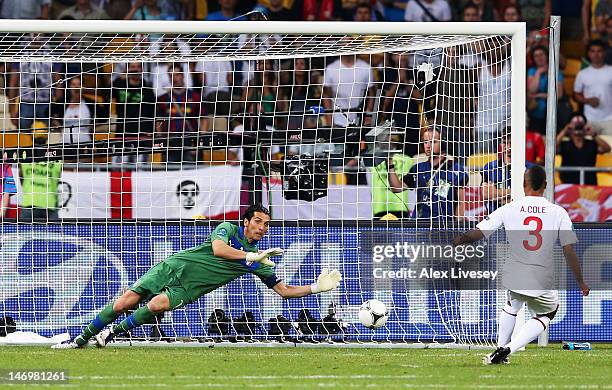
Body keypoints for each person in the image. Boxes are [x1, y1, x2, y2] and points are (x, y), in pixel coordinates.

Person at [52, 204, 342, 349]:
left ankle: (111, 334)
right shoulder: (229, 229)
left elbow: (284, 291)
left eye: (266, 224)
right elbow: (218, 250)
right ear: (246, 222)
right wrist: (250, 256)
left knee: (155, 306)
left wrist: (317, 287)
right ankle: (79, 340)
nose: (262, 227)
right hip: (175, 266)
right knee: (125, 302)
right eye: (258, 221)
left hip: (189, 288)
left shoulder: (261, 261)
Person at [452, 165, 590, 364]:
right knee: (548, 311)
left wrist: (459, 240)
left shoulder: (509, 208)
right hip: (541, 275)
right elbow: (568, 249)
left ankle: (499, 349)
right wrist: (581, 282)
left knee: (512, 304)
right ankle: (508, 349)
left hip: (514, 271)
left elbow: (480, 232)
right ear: (545, 185)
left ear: (524, 184)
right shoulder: (558, 212)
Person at [387, 128, 469, 222]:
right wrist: (390, 163)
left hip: (443, 227)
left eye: (433, 142)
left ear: (443, 143)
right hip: (419, 226)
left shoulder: (456, 170)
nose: (428, 146)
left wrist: (457, 229)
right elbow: (396, 188)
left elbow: (460, 203)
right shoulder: (418, 169)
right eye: (425, 142)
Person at [481, 131, 536, 213]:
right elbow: (486, 194)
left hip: (520, 217)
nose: (508, 147)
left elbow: (530, 195)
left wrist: (497, 193)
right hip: (495, 217)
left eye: (511, 143)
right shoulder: (489, 167)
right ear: (500, 144)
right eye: (504, 143)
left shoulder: (530, 168)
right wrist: (514, 195)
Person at [556, 113, 611, 185]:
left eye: (580, 125)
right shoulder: (565, 145)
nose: (578, 127)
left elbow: (607, 148)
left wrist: (593, 134)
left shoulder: (591, 144)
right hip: (568, 184)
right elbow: (550, 150)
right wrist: (564, 131)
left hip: (589, 184)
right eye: (575, 124)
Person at [573, 40, 612, 135]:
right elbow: (576, 95)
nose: (596, 54)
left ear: (604, 53)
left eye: (599, 51)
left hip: (610, 119)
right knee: (591, 148)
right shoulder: (582, 74)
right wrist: (587, 101)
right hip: (589, 120)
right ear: (588, 53)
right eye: (593, 51)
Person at [527, 45, 565, 134]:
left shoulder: (556, 71)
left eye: (541, 55)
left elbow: (559, 95)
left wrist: (540, 95)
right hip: (535, 113)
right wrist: (539, 72)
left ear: (547, 56)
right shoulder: (532, 71)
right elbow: (532, 90)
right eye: (536, 56)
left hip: (553, 113)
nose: (539, 58)